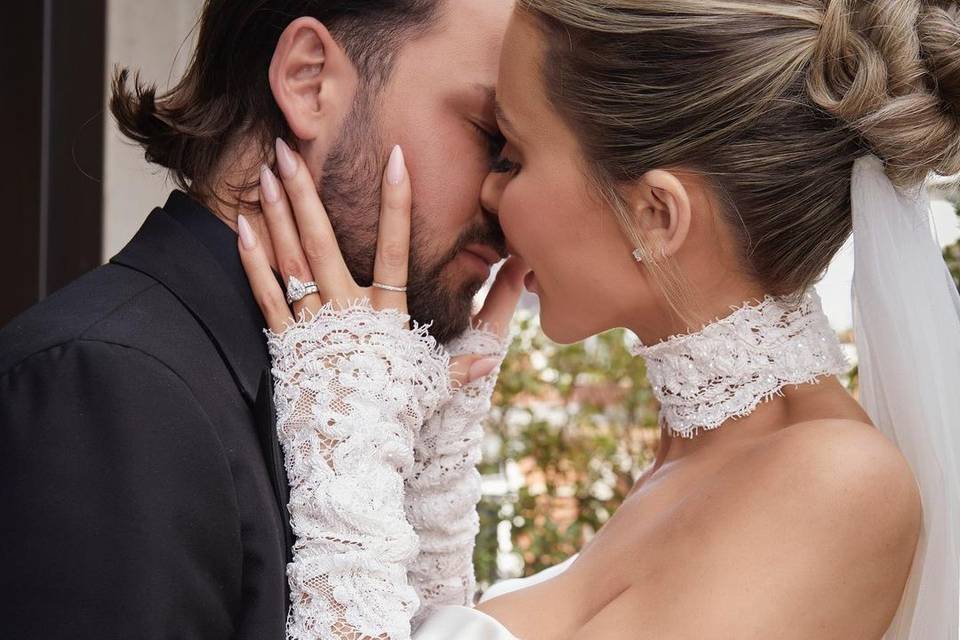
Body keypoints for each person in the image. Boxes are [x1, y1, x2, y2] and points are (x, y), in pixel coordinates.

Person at [240, 0, 960, 638]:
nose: (491, 193)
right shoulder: (699, 456)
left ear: (657, 214)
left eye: (514, 154)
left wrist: (348, 462)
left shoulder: (835, 486)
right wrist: (425, 492)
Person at [0, 1, 521, 638]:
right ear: (308, 81)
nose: (506, 199)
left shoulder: (346, 397)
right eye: (491, 135)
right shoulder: (110, 384)